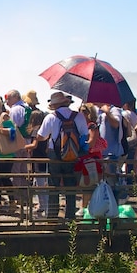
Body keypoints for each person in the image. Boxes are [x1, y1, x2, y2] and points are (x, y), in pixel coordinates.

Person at [35, 92, 93, 220]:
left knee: (53, 186)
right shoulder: (78, 116)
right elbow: (85, 135)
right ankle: (70, 217)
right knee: (70, 186)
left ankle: (52, 217)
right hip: (73, 154)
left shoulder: (51, 117)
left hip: (54, 154)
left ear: (54, 105)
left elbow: (41, 136)